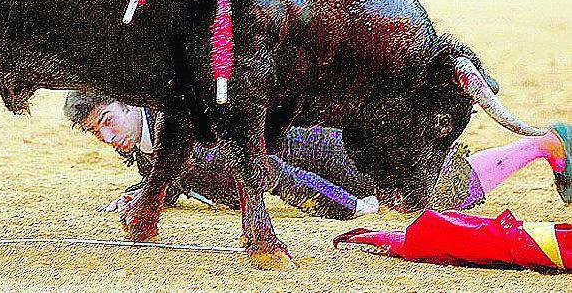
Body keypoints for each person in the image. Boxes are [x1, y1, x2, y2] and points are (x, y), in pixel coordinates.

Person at [63, 91, 571, 217]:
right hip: (320, 141)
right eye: (95, 133)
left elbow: (274, 173)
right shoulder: (157, 132)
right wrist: (141, 193)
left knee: (444, 193)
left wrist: (353, 208)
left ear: (128, 100)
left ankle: (547, 142)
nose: (107, 138)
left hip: (336, 155)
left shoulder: (182, 132)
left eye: (107, 120)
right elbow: (177, 177)